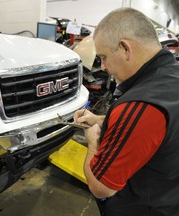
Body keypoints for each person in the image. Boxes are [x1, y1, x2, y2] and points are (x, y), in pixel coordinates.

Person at [74, 7, 179, 216]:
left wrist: (92, 140)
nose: (103, 67)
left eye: (103, 57)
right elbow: (154, 133)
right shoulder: (171, 75)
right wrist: (100, 119)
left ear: (124, 48)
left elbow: (101, 186)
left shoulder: (140, 105)